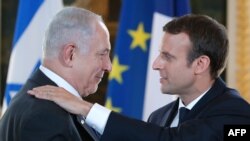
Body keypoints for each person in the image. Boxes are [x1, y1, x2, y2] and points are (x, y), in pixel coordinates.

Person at [27, 14, 250, 141]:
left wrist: (86, 109)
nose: (155, 65)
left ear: (200, 64)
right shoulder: (158, 118)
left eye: (167, 57)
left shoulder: (237, 116)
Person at [0, 7, 112, 141]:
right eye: (102, 54)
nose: (108, 66)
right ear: (70, 55)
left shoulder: (43, 106)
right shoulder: (43, 116)